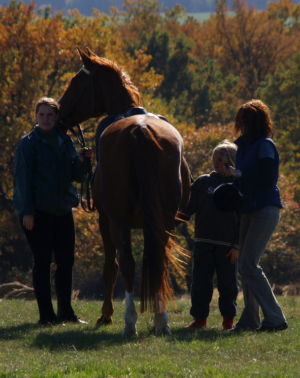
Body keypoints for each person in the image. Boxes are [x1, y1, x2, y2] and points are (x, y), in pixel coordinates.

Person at [13, 97, 92, 325]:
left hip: (62, 211)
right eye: (41, 115)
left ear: (56, 117)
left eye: (50, 115)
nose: (46, 119)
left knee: (66, 262)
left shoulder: (64, 141)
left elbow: (77, 176)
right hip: (37, 212)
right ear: (36, 117)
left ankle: (66, 312)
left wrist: (84, 161)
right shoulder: (28, 143)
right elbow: (22, 180)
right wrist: (26, 211)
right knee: (43, 262)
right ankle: (46, 316)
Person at [229, 99, 287, 332]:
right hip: (249, 208)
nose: (242, 125)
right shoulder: (242, 147)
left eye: (246, 120)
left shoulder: (265, 145)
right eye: (241, 120)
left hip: (265, 208)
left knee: (248, 263)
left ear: (257, 122)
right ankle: (250, 320)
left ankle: (275, 318)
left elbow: (266, 179)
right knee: (245, 266)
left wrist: (239, 175)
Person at [184, 140, 240, 330]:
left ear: (233, 162)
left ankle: (228, 320)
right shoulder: (203, 182)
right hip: (203, 242)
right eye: (216, 159)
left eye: (224, 160)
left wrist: (237, 246)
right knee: (200, 283)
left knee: (228, 285)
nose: (218, 163)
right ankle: (199, 320)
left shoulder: (239, 185)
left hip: (227, 246)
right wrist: (169, 223)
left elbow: (243, 219)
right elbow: (188, 210)